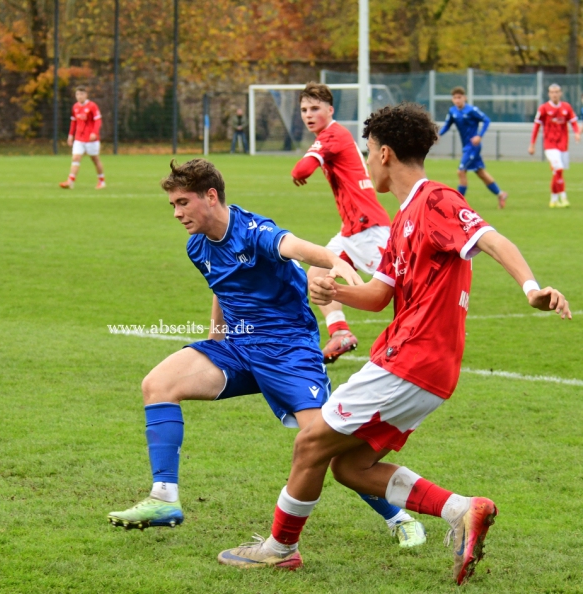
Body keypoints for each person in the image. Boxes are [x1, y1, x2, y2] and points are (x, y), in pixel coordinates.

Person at [218, 103, 571, 584]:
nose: (364, 163)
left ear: (384, 153)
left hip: (411, 359)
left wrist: (532, 289)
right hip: (424, 366)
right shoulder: (404, 219)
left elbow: (491, 238)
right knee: (352, 466)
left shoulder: (435, 200)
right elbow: (381, 295)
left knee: (310, 443)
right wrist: (334, 291)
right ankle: (463, 511)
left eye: (366, 152)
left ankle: (280, 548)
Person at [107, 158, 428, 548]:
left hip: (288, 351)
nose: (177, 213)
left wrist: (335, 262)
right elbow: (221, 285)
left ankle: (398, 517)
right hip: (238, 347)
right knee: (157, 384)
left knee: (322, 446)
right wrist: (215, 337)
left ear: (211, 197)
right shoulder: (197, 246)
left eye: (183, 203)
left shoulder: (254, 232)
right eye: (173, 205)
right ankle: (164, 498)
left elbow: (297, 247)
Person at [291, 82, 391, 363]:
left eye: (315, 108)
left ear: (330, 109)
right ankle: (340, 333)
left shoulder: (332, 135)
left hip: (367, 227)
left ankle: (421, 333)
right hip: (351, 230)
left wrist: (299, 172)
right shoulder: (330, 135)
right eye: (303, 110)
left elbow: (302, 169)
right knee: (316, 276)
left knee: (399, 285)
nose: (308, 115)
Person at [438, 87, 508, 208]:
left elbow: (486, 120)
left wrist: (479, 136)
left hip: (473, 146)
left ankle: (458, 203)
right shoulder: (452, 111)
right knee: (480, 172)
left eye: (459, 97)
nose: (457, 100)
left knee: (461, 171)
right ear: (452, 99)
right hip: (466, 147)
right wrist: (438, 135)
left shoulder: (471, 110)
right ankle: (501, 194)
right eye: (455, 98)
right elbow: (447, 125)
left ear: (464, 98)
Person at [529, 83, 580, 208]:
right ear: (549, 94)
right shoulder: (543, 108)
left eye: (557, 92)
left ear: (560, 93)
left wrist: (577, 133)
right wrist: (532, 144)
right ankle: (564, 197)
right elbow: (536, 127)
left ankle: (553, 199)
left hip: (563, 145)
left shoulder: (567, 107)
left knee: (558, 173)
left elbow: (573, 122)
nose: (555, 94)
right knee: (559, 168)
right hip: (550, 145)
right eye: (552, 92)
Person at [59, 86, 106, 190]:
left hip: (91, 139)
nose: (79, 96)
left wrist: (94, 133)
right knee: (75, 158)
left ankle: (101, 181)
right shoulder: (75, 107)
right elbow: (73, 122)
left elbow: (98, 121)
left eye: (81, 94)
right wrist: (70, 135)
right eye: (77, 94)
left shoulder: (92, 106)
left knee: (95, 159)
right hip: (79, 138)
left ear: (86, 95)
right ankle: (70, 181)